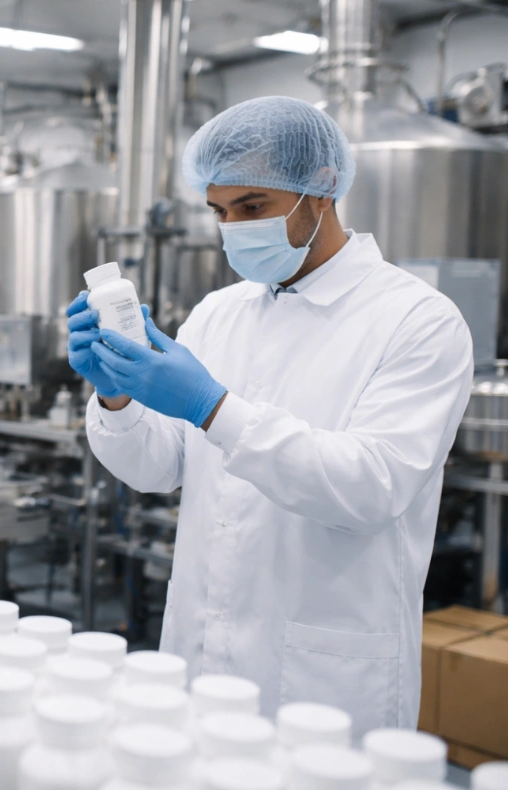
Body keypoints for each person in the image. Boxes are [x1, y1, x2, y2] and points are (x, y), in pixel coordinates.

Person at [67, 96, 473, 736]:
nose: (233, 228)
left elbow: (372, 487)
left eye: (252, 206)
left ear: (323, 189)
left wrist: (212, 407)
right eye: (219, 211)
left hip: (325, 677)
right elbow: (157, 468)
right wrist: (116, 393)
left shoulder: (417, 320)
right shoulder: (218, 312)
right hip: (201, 655)